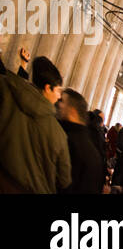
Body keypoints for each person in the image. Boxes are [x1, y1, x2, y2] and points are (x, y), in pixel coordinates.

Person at [0, 55, 71, 193]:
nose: (59, 96)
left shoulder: (6, 91)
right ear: (47, 88)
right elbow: (64, 179)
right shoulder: (58, 134)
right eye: (58, 90)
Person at [56, 89, 104, 194]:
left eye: (62, 101)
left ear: (72, 111)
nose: (58, 104)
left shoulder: (70, 140)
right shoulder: (86, 142)